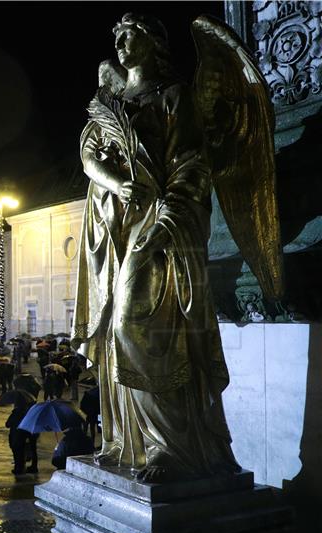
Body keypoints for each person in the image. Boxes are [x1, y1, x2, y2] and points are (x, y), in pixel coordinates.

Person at [72, 13, 244, 482]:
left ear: (153, 44)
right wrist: (117, 182)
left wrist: (169, 218)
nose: (120, 41)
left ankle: (171, 446)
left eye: (131, 34)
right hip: (109, 228)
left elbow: (190, 161)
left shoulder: (173, 95)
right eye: (117, 36)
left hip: (159, 225)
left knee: (139, 327)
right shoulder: (106, 101)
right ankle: (127, 441)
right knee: (112, 334)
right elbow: (88, 155)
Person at [5, 399, 30, 475]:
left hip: (14, 436)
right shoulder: (26, 415)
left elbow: (7, 424)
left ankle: (17, 468)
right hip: (22, 436)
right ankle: (21, 467)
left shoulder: (14, 414)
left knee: (16, 453)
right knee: (21, 453)